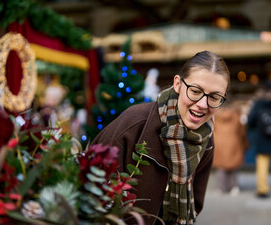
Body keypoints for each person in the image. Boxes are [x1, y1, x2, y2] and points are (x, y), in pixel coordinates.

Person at [91, 51, 230, 225]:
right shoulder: (135, 122)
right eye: (195, 91)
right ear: (178, 84)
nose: (203, 104)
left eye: (215, 97)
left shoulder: (206, 138)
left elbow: (195, 202)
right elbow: (93, 187)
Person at [212, 100, 249, 196]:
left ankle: (221, 187)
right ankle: (233, 187)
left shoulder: (216, 115)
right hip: (234, 142)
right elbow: (241, 131)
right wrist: (244, 142)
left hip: (219, 142)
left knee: (221, 167)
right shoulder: (237, 115)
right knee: (233, 166)